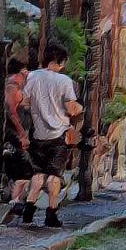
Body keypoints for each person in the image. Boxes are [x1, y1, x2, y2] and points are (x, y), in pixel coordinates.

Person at [21, 44, 83, 227]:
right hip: (58, 135)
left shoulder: (31, 77)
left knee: (38, 173)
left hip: (38, 134)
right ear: (59, 62)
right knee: (54, 175)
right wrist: (79, 107)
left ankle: (28, 209)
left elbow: (25, 103)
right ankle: (51, 213)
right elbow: (72, 110)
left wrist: (38, 110)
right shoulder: (64, 81)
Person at [2, 59, 35, 224]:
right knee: (24, 169)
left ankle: (16, 201)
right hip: (15, 137)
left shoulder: (17, 88)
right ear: (17, 74)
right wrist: (22, 135)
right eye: (24, 74)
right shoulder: (12, 88)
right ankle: (14, 202)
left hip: (19, 136)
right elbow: (12, 114)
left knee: (24, 170)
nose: (25, 77)